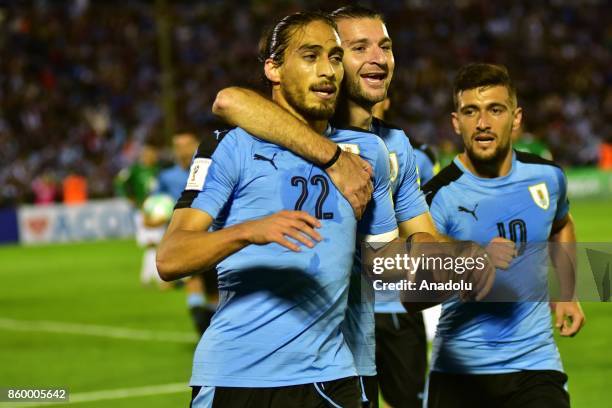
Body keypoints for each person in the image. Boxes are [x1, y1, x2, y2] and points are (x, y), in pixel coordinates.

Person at [210, 6, 492, 408]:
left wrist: (460, 269)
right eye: (359, 48)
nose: (378, 58)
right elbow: (230, 100)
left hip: (354, 362)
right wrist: (333, 157)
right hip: (265, 363)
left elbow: (411, 254)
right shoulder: (282, 126)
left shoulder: (393, 148)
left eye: (386, 47)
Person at [157, 12, 401, 407]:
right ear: (273, 68)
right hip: (236, 375)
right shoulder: (231, 147)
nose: (328, 71)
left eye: (336, 57)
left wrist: (471, 267)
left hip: (331, 378)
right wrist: (246, 231)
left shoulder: (367, 154)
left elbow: (387, 266)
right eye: (310, 56)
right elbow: (170, 258)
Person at [421, 63, 585, 408]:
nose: (483, 123)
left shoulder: (548, 178)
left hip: (535, 366)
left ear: (516, 118)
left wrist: (566, 292)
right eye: (471, 112)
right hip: (460, 371)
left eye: (495, 110)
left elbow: (562, 225)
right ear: (456, 122)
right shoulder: (437, 197)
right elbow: (414, 293)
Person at [156, 131, 218, 335]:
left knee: (214, 290)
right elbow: (156, 203)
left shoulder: (212, 167)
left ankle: (207, 325)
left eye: (187, 144)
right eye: (178, 146)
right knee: (194, 279)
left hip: (213, 235)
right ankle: (201, 325)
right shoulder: (166, 177)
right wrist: (152, 215)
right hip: (185, 237)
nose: (183, 150)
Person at [114, 142, 162, 286]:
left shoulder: (159, 170)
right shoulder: (134, 170)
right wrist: (130, 198)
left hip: (158, 210)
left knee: (155, 243)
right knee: (151, 243)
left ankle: (148, 277)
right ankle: (156, 277)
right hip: (142, 210)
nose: (151, 156)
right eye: (147, 154)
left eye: (152, 154)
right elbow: (120, 183)